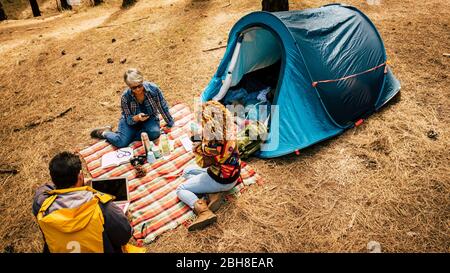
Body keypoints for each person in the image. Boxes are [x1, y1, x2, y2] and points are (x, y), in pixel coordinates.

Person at [32, 152, 133, 253]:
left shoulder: (42, 205)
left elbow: (43, 189)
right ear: (80, 175)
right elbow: (124, 237)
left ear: (53, 180)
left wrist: (64, 181)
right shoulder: (102, 206)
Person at [176, 101, 241, 231]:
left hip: (222, 179)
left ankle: (204, 212)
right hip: (232, 174)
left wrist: (197, 147)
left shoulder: (212, 144)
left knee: (181, 189)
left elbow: (201, 161)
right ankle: (214, 194)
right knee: (187, 172)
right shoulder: (229, 129)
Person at [90, 68, 175, 147]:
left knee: (155, 133)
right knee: (121, 143)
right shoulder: (125, 97)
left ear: (142, 81)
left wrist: (170, 123)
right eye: (134, 88)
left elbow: (162, 106)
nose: (138, 89)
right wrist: (137, 118)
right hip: (131, 121)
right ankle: (105, 133)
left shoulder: (153, 89)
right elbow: (128, 119)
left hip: (149, 118)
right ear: (129, 86)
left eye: (140, 85)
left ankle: (126, 136)